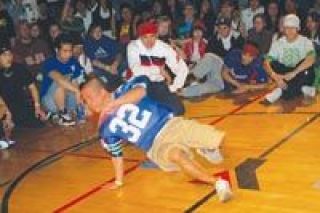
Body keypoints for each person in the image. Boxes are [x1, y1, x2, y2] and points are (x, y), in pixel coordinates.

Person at [80, 74, 232, 202]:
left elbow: (140, 92)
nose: (88, 105)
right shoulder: (105, 128)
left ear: (101, 92)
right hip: (155, 146)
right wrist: (118, 181)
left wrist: (114, 104)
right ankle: (218, 183)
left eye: (88, 98)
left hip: (172, 124)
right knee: (177, 155)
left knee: (220, 139)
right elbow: (116, 155)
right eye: (85, 102)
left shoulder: (126, 88)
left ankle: (206, 147)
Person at [127, 21, 188, 115]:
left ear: (156, 35)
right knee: (137, 113)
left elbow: (182, 69)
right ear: (140, 37)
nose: (149, 41)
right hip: (138, 83)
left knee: (178, 110)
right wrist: (158, 70)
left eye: (152, 36)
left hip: (157, 84)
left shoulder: (164, 48)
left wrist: (174, 87)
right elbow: (136, 70)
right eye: (145, 37)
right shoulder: (133, 47)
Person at [263, 14, 316, 104]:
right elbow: (266, 63)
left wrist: (294, 73)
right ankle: (303, 89)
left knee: (306, 64)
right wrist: (275, 77)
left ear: (298, 28)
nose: (290, 31)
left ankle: (280, 91)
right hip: (285, 74)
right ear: (283, 29)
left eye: (293, 28)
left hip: (300, 73)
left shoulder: (305, 41)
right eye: (287, 28)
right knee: (273, 63)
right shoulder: (278, 43)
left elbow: (311, 59)